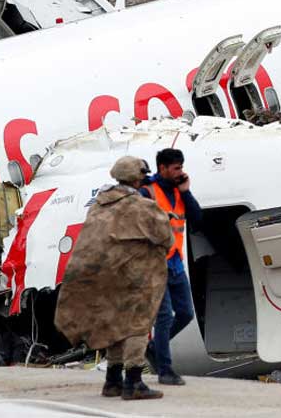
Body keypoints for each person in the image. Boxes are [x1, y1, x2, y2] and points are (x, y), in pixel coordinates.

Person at [55, 156, 173, 401]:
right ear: (138, 177)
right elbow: (166, 238)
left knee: (114, 323)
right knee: (137, 325)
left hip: (103, 277)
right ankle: (133, 382)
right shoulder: (141, 207)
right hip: (133, 276)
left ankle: (112, 381)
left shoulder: (99, 205)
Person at [141, 148, 202, 386]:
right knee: (164, 316)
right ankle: (164, 369)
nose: (180, 172)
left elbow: (197, 219)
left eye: (181, 167)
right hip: (154, 263)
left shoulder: (179, 191)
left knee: (186, 313)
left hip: (175, 262)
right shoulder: (147, 192)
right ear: (163, 168)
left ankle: (155, 347)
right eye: (176, 168)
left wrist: (186, 192)